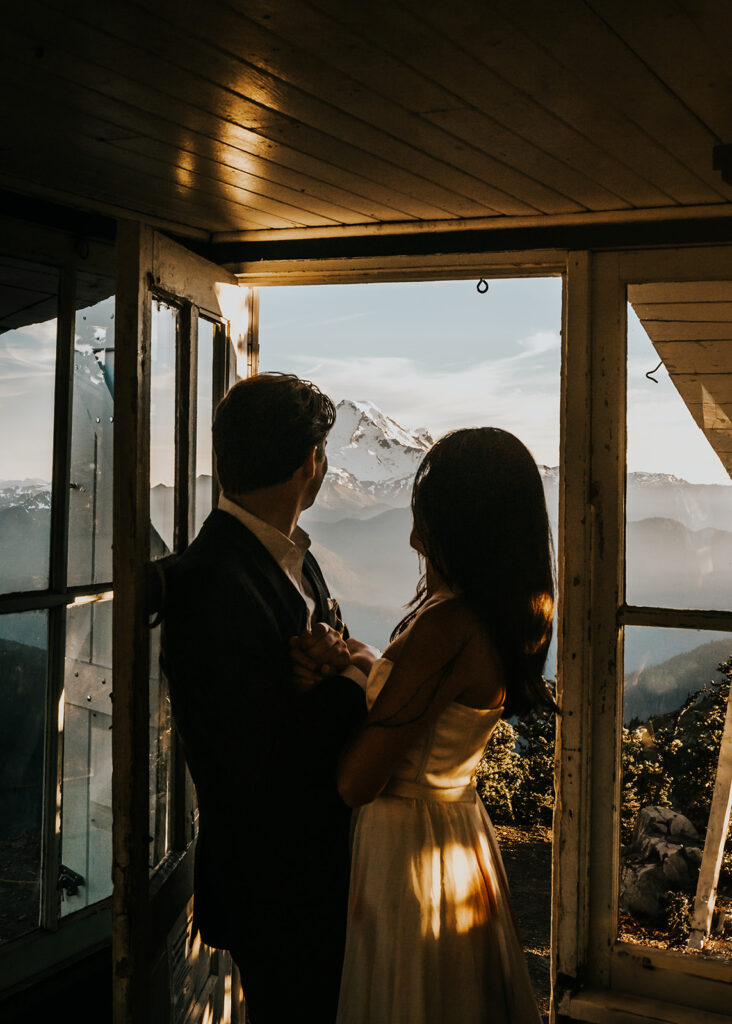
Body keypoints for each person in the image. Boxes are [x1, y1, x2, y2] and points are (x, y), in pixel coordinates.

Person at [292, 427, 555, 1024]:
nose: (412, 537)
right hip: (456, 824)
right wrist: (355, 658)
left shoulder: (446, 627)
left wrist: (329, 690)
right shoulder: (501, 609)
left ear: (466, 529)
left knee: (408, 996)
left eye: (426, 522)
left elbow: (358, 781)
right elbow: (414, 691)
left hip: (410, 848)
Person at [160, 373, 368, 1024]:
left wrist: (333, 659)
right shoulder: (209, 581)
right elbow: (255, 764)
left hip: (320, 877)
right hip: (274, 891)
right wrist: (350, 684)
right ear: (311, 462)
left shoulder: (293, 559)